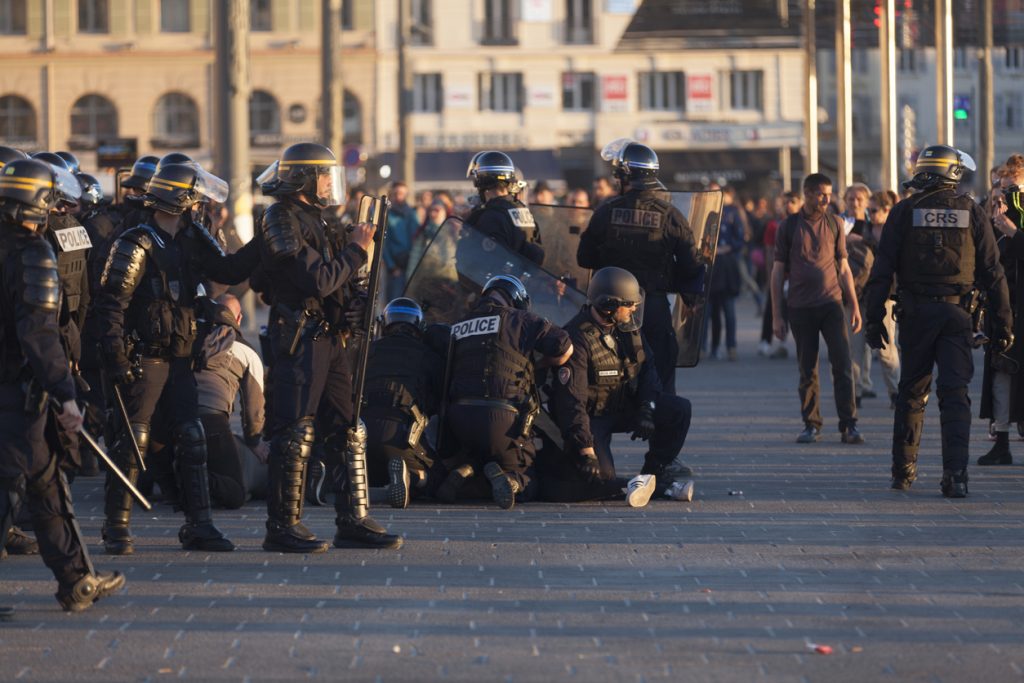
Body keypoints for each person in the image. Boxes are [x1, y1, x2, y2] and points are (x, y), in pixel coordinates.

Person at [93, 162, 258, 555]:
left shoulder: (191, 237)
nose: (199, 204)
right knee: (133, 440)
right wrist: (116, 357)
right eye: (194, 197)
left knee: (192, 435)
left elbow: (227, 269)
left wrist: (262, 242)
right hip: (145, 358)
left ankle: (199, 525)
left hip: (181, 356)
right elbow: (111, 305)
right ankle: (116, 527)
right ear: (178, 198)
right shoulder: (135, 242)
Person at [257, 142, 401, 552]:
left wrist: (355, 305)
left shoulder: (319, 219)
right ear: (303, 178)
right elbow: (317, 280)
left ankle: (352, 519)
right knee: (296, 431)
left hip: (331, 337)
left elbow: (342, 283)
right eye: (323, 176)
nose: (329, 184)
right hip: (299, 337)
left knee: (348, 425)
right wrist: (357, 248)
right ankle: (282, 525)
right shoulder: (280, 217)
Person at [0, 158, 125, 612]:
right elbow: (39, 333)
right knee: (14, 485)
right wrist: (66, 393)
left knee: (46, 484)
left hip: (19, 392)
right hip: (17, 392)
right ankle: (75, 580)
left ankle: (76, 582)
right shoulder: (32, 253)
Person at [864, 144, 1013, 496]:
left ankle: (903, 471)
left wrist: (873, 320)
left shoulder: (902, 213)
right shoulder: (972, 213)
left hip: (915, 315)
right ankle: (956, 476)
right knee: (955, 394)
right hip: (957, 316)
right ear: (952, 173)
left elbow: (882, 271)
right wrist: (1004, 324)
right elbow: (994, 273)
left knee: (912, 392)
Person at [544, 267, 695, 506]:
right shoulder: (576, 339)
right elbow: (572, 401)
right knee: (602, 478)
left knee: (679, 410)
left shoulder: (628, 329)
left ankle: (654, 473)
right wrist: (586, 450)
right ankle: (637, 484)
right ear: (609, 306)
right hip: (593, 417)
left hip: (625, 405)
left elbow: (649, 373)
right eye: (629, 304)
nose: (635, 308)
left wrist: (648, 407)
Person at [578, 139, 703, 397]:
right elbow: (691, 265)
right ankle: (660, 423)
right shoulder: (670, 215)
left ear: (625, 176)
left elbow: (584, 258)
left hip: (610, 312)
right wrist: (688, 295)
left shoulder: (606, 212)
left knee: (604, 377)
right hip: (655, 308)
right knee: (662, 376)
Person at [443, 275, 573, 509]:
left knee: (478, 453)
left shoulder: (459, 324)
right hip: (503, 420)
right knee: (528, 476)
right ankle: (513, 480)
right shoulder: (521, 319)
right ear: (516, 300)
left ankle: (465, 471)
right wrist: (540, 364)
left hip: (458, 420)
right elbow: (565, 346)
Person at [771, 173, 863, 445]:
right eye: (821, 194)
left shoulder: (835, 224)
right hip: (800, 308)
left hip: (832, 304)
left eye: (829, 194)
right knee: (807, 369)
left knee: (843, 365)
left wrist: (854, 305)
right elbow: (776, 273)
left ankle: (849, 424)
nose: (827, 199)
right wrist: (777, 316)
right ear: (808, 194)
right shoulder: (788, 227)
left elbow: (844, 269)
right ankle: (811, 424)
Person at [362, 298, 447, 509]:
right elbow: (439, 400)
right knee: (439, 477)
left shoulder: (367, 352)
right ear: (419, 326)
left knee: (369, 470)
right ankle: (414, 476)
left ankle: (342, 477)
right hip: (401, 436)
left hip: (361, 437)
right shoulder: (427, 356)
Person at [194, 294, 269, 508]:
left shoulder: (192, 339)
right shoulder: (246, 351)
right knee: (235, 494)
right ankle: (197, 479)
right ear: (239, 319)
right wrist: (254, 441)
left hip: (179, 418)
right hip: (212, 421)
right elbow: (254, 408)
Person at [978, 155, 1024, 466]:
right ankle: (1002, 440)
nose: (1006, 197)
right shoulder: (992, 215)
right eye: (1002, 189)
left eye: (1014, 190)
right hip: (1004, 304)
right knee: (1001, 372)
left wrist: (1014, 233)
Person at [463, 151, 544, 265]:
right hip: (525, 280)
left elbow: (486, 263)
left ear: (481, 182)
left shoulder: (491, 217)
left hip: (499, 281)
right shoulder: (522, 210)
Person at [861, 190, 901, 407]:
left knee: (887, 347)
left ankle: (896, 391)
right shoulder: (863, 229)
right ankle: (859, 388)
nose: (870, 214)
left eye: (874, 210)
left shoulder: (893, 231)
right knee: (860, 347)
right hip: (863, 292)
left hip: (887, 293)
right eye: (868, 210)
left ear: (887, 210)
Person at [758, 191, 802, 359]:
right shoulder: (774, 225)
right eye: (786, 202)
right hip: (780, 273)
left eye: (792, 201)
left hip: (797, 274)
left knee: (795, 310)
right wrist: (772, 274)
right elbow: (769, 251)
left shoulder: (803, 223)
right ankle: (765, 341)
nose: (789, 205)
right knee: (773, 307)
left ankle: (790, 344)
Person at [383, 181, 417, 300]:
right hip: (395, 266)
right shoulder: (387, 215)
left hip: (411, 263)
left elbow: (417, 238)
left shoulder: (412, 213)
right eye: (396, 193)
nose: (399, 196)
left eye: (402, 193)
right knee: (395, 300)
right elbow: (384, 244)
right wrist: (392, 266)